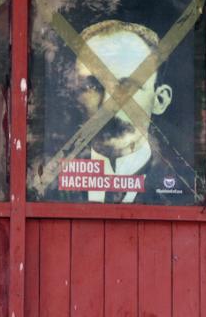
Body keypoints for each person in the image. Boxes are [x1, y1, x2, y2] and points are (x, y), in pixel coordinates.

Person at [62, 20, 194, 204]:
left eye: (127, 86)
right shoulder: (54, 188)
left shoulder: (187, 190)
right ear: (74, 96)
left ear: (160, 100)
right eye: (93, 85)